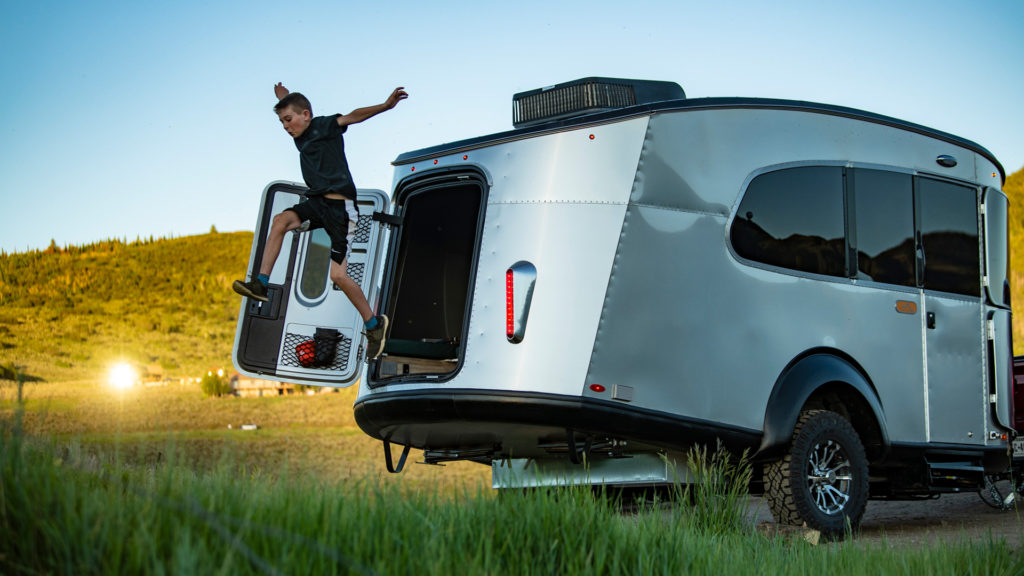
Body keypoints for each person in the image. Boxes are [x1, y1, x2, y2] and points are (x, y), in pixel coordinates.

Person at [233, 82, 408, 360]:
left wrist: (385, 106)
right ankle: (261, 283)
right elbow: (292, 104)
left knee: (337, 276)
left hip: (341, 210)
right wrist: (282, 96)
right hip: (317, 203)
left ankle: (374, 325)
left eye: (288, 120)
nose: (286, 127)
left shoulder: (324, 125)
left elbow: (353, 116)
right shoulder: (299, 134)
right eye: (282, 123)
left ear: (306, 115)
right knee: (280, 221)